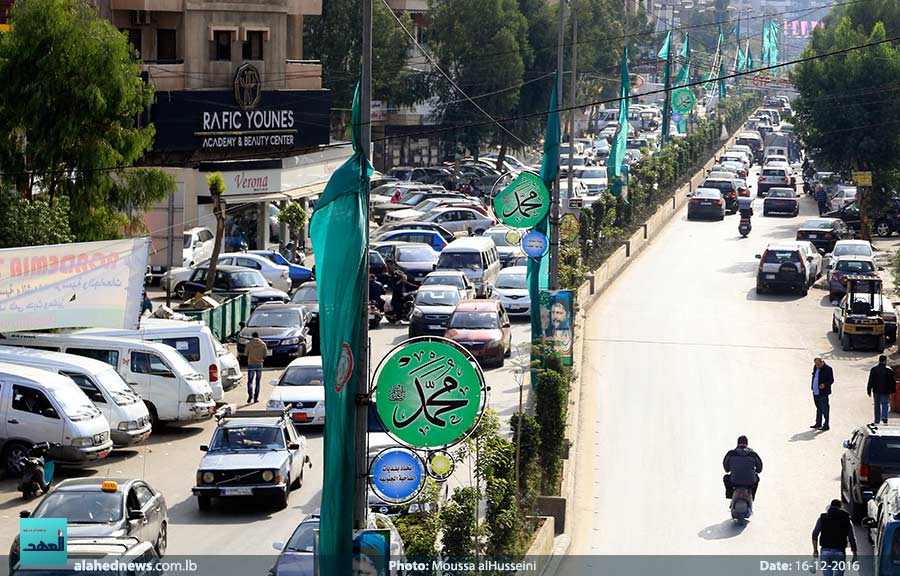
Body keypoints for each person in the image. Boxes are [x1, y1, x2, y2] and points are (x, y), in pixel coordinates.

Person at [812, 499, 857, 576]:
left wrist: (815, 550)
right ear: (840, 507)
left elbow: (815, 534)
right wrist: (854, 554)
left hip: (825, 552)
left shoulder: (823, 518)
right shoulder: (846, 520)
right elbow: (852, 538)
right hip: (840, 552)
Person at [868, 355, 896, 425]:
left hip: (876, 391)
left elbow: (870, 380)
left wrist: (869, 389)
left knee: (877, 405)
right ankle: (884, 418)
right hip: (885, 391)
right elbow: (892, 382)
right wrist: (893, 391)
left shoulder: (874, 369)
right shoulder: (889, 370)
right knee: (885, 404)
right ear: (885, 361)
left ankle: (877, 420)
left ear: (879, 360)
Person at [811, 357, 834, 431]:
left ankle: (826, 424)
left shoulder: (828, 369)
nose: (817, 366)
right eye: (816, 364)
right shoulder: (815, 367)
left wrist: (824, 384)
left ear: (821, 362)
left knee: (825, 409)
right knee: (818, 408)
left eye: (818, 364)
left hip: (823, 393)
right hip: (815, 391)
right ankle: (818, 423)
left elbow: (831, 380)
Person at [245, 332, 268, 403]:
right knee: (257, 382)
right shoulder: (263, 344)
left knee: (250, 381)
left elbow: (246, 353)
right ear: (259, 336)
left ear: (252, 336)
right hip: (259, 364)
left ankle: (250, 394)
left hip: (251, 363)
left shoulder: (249, 344)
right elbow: (265, 355)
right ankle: (256, 398)